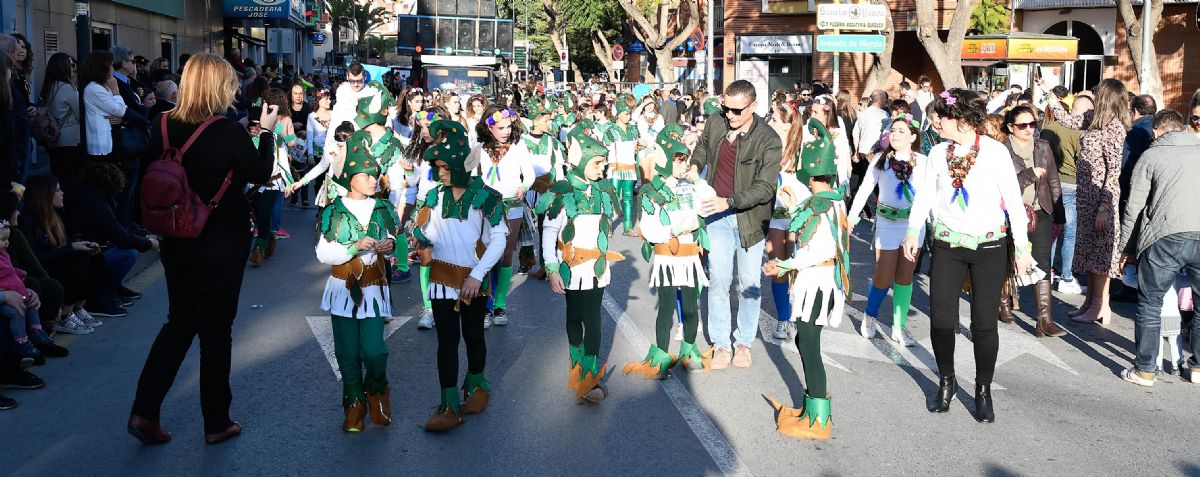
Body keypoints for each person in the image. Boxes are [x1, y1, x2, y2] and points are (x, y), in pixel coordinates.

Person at [128, 53, 278, 445]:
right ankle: (216, 420)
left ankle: (144, 411)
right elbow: (260, 173)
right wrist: (267, 133)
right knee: (216, 330)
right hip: (220, 238)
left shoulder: (160, 123)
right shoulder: (227, 131)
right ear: (219, 86)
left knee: (179, 322)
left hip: (175, 236)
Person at [904, 88, 1033, 423]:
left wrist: (1021, 248)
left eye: (941, 116)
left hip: (989, 247)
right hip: (948, 245)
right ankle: (946, 381)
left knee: (984, 324)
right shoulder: (937, 153)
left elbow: (1013, 203)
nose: (936, 122)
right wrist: (913, 232)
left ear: (960, 120)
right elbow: (924, 199)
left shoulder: (994, 153)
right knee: (942, 320)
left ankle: (982, 389)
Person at [411, 120, 508, 431]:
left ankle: (478, 386)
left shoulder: (485, 196)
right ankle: (450, 404)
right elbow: (425, 231)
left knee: (474, 337)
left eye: (445, 167)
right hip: (441, 281)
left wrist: (478, 276)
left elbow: (501, 238)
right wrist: (420, 243)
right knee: (447, 342)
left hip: (472, 282)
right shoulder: (434, 196)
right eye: (437, 167)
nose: (440, 173)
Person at [765, 117, 850, 440]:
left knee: (809, 344)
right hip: (817, 279)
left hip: (818, 280)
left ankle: (819, 418)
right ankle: (810, 405)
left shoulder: (820, 205)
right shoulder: (831, 200)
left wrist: (785, 265)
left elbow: (818, 249)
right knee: (804, 340)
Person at [688, 79, 781, 369]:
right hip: (716, 216)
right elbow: (703, 147)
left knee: (749, 284)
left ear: (753, 107)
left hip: (749, 219)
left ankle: (743, 343)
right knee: (718, 281)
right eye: (726, 108)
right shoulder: (717, 122)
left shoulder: (769, 139)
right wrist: (694, 166)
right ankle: (721, 344)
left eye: (737, 110)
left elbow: (766, 188)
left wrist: (728, 201)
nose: (729, 115)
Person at [315, 129, 400, 432]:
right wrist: (353, 247)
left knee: (375, 351)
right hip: (342, 289)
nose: (373, 179)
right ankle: (354, 405)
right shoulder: (334, 210)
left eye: (375, 174)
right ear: (350, 177)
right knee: (347, 351)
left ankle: (377, 390)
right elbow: (323, 253)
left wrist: (389, 244)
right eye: (366, 175)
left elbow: (394, 238)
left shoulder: (383, 207)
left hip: (374, 289)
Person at [536, 131, 622, 402]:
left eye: (603, 163)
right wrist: (551, 268)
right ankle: (575, 363)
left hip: (596, 266)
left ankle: (590, 374)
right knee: (574, 317)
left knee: (593, 318)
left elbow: (613, 216)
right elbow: (549, 232)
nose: (602, 168)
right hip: (570, 268)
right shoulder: (561, 191)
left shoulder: (604, 189)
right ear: (581, 159)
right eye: (597, 163)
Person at [1118, 109, 1200, 386]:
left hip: (1165, 236)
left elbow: (1134, 206)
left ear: (1156, 132)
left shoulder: (1151, 155)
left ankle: (1145, 369)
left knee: (1150, 303)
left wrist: (1126, 248)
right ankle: (1199, 367)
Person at [1043, 78, 1130, 326]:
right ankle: (1090, 302)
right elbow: (1068, 121)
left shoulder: (1114, 129)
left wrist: (1104, 207)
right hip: (1086, 198)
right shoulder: (1093, 119)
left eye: (1097, 93)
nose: (1093, 96)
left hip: (1101, 200)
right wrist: (1051, 97)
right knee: (1089, 255)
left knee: (1101, 257)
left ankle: (1100, 305)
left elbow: (1112, 173)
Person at [848, 111, 929, 345]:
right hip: (886, 225)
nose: (894, 134)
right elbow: (864, 189)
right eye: (892, 130)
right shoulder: (880, 160)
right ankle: (870, 316)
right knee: (883, 276)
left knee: (905, 277)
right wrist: (853, 216)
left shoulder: (923, 163)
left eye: (901, 131)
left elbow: (927, 195)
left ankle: (899, 327)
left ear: (913, 136)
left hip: (913, 226)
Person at [1000, 105, 1068, 337]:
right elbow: (1001, 186)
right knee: (1007, 259)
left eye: (1033, 124)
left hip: (1040, 211)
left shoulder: (1043, 146)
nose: (1029, 129)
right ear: (1011, 127)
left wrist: (1059, 215)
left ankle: (1044, 320)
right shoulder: (1001, 151)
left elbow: (1054, 182)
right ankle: (1004, 303)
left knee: (1042, 262)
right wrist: (1029, 173)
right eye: (1023, 125)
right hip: (1010, 212)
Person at [60, 162, 155, 318]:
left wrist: (143, 238)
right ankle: (99, 299)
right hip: (86, 252)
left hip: (88, 247)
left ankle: (112, 290)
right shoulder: (95, 202)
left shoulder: (88, 194)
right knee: (128, 253)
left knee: (121, 250)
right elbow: (120, 236)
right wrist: (149, 244)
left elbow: (117, 228)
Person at [19, 174, 106, 334]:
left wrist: (81, 243)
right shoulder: (27, 222)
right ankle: (65, 314)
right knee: (79, 261)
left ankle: (77, 307)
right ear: (44, 195)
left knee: (96, 257)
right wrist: (72, 248)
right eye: (57, 190)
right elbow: (35, 258)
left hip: (56, 263)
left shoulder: (53, 216)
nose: (62, 193)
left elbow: (62, 243)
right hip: (43, 270)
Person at [471, 106, 533, 327]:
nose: (506, 131)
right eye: (501, 127)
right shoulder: (478, 147)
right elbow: (469, 174)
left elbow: (530, 174)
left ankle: (499, 306)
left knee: (506, 254)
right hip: (486, 206)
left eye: (509, 126)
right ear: (489, 127)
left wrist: (523, 187)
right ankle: (486, 306)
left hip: (512, 204)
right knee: (488, 254)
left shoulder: (519, 145)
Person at [1041, 92, 1093, 295]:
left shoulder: (1048, 129)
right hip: (1072, 185)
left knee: (1052, 231)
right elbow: (1084, 161)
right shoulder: (1081, 131)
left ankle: (1049, 271)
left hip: (1049, 184)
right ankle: (1067, 276)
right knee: (1069, 234)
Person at [40, 53, 83, 181]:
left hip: (53, 139)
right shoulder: (68, 88)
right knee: (72, 179)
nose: (74, 68)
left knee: (59, 177)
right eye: (72, 64)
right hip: (71, 141)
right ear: (63, 67)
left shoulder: (48, 87)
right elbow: (81, 114)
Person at [604, 97, 641, 236]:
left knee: (628, 198)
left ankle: (628, 227)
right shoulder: (611, 130)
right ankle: (607, 225)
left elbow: (635, 148)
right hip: (616, 168)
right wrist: (613, 167)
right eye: (626, 113)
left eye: (629, 113)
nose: (628, 116)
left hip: (630, 168)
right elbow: (608, 149)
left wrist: (639, 145)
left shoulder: (633, 129)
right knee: (613, 197)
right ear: (618, 113)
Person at [851, 90, 889, 216]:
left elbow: (855, 133)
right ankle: (874, 211)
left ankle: (867, 209)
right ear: (879, 100)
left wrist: (856, 151)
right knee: (875, 181)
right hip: (875, 151)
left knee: (865, 180)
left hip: (863, 150)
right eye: (884, 99)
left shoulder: (863, 114)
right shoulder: (883, 114)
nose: (886, 101)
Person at [1119, 94, 1157, 214]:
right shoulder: (1161, 127)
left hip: (1134, 189)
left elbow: (1125, 164)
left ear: (1134, 111)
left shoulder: (1134, 131)